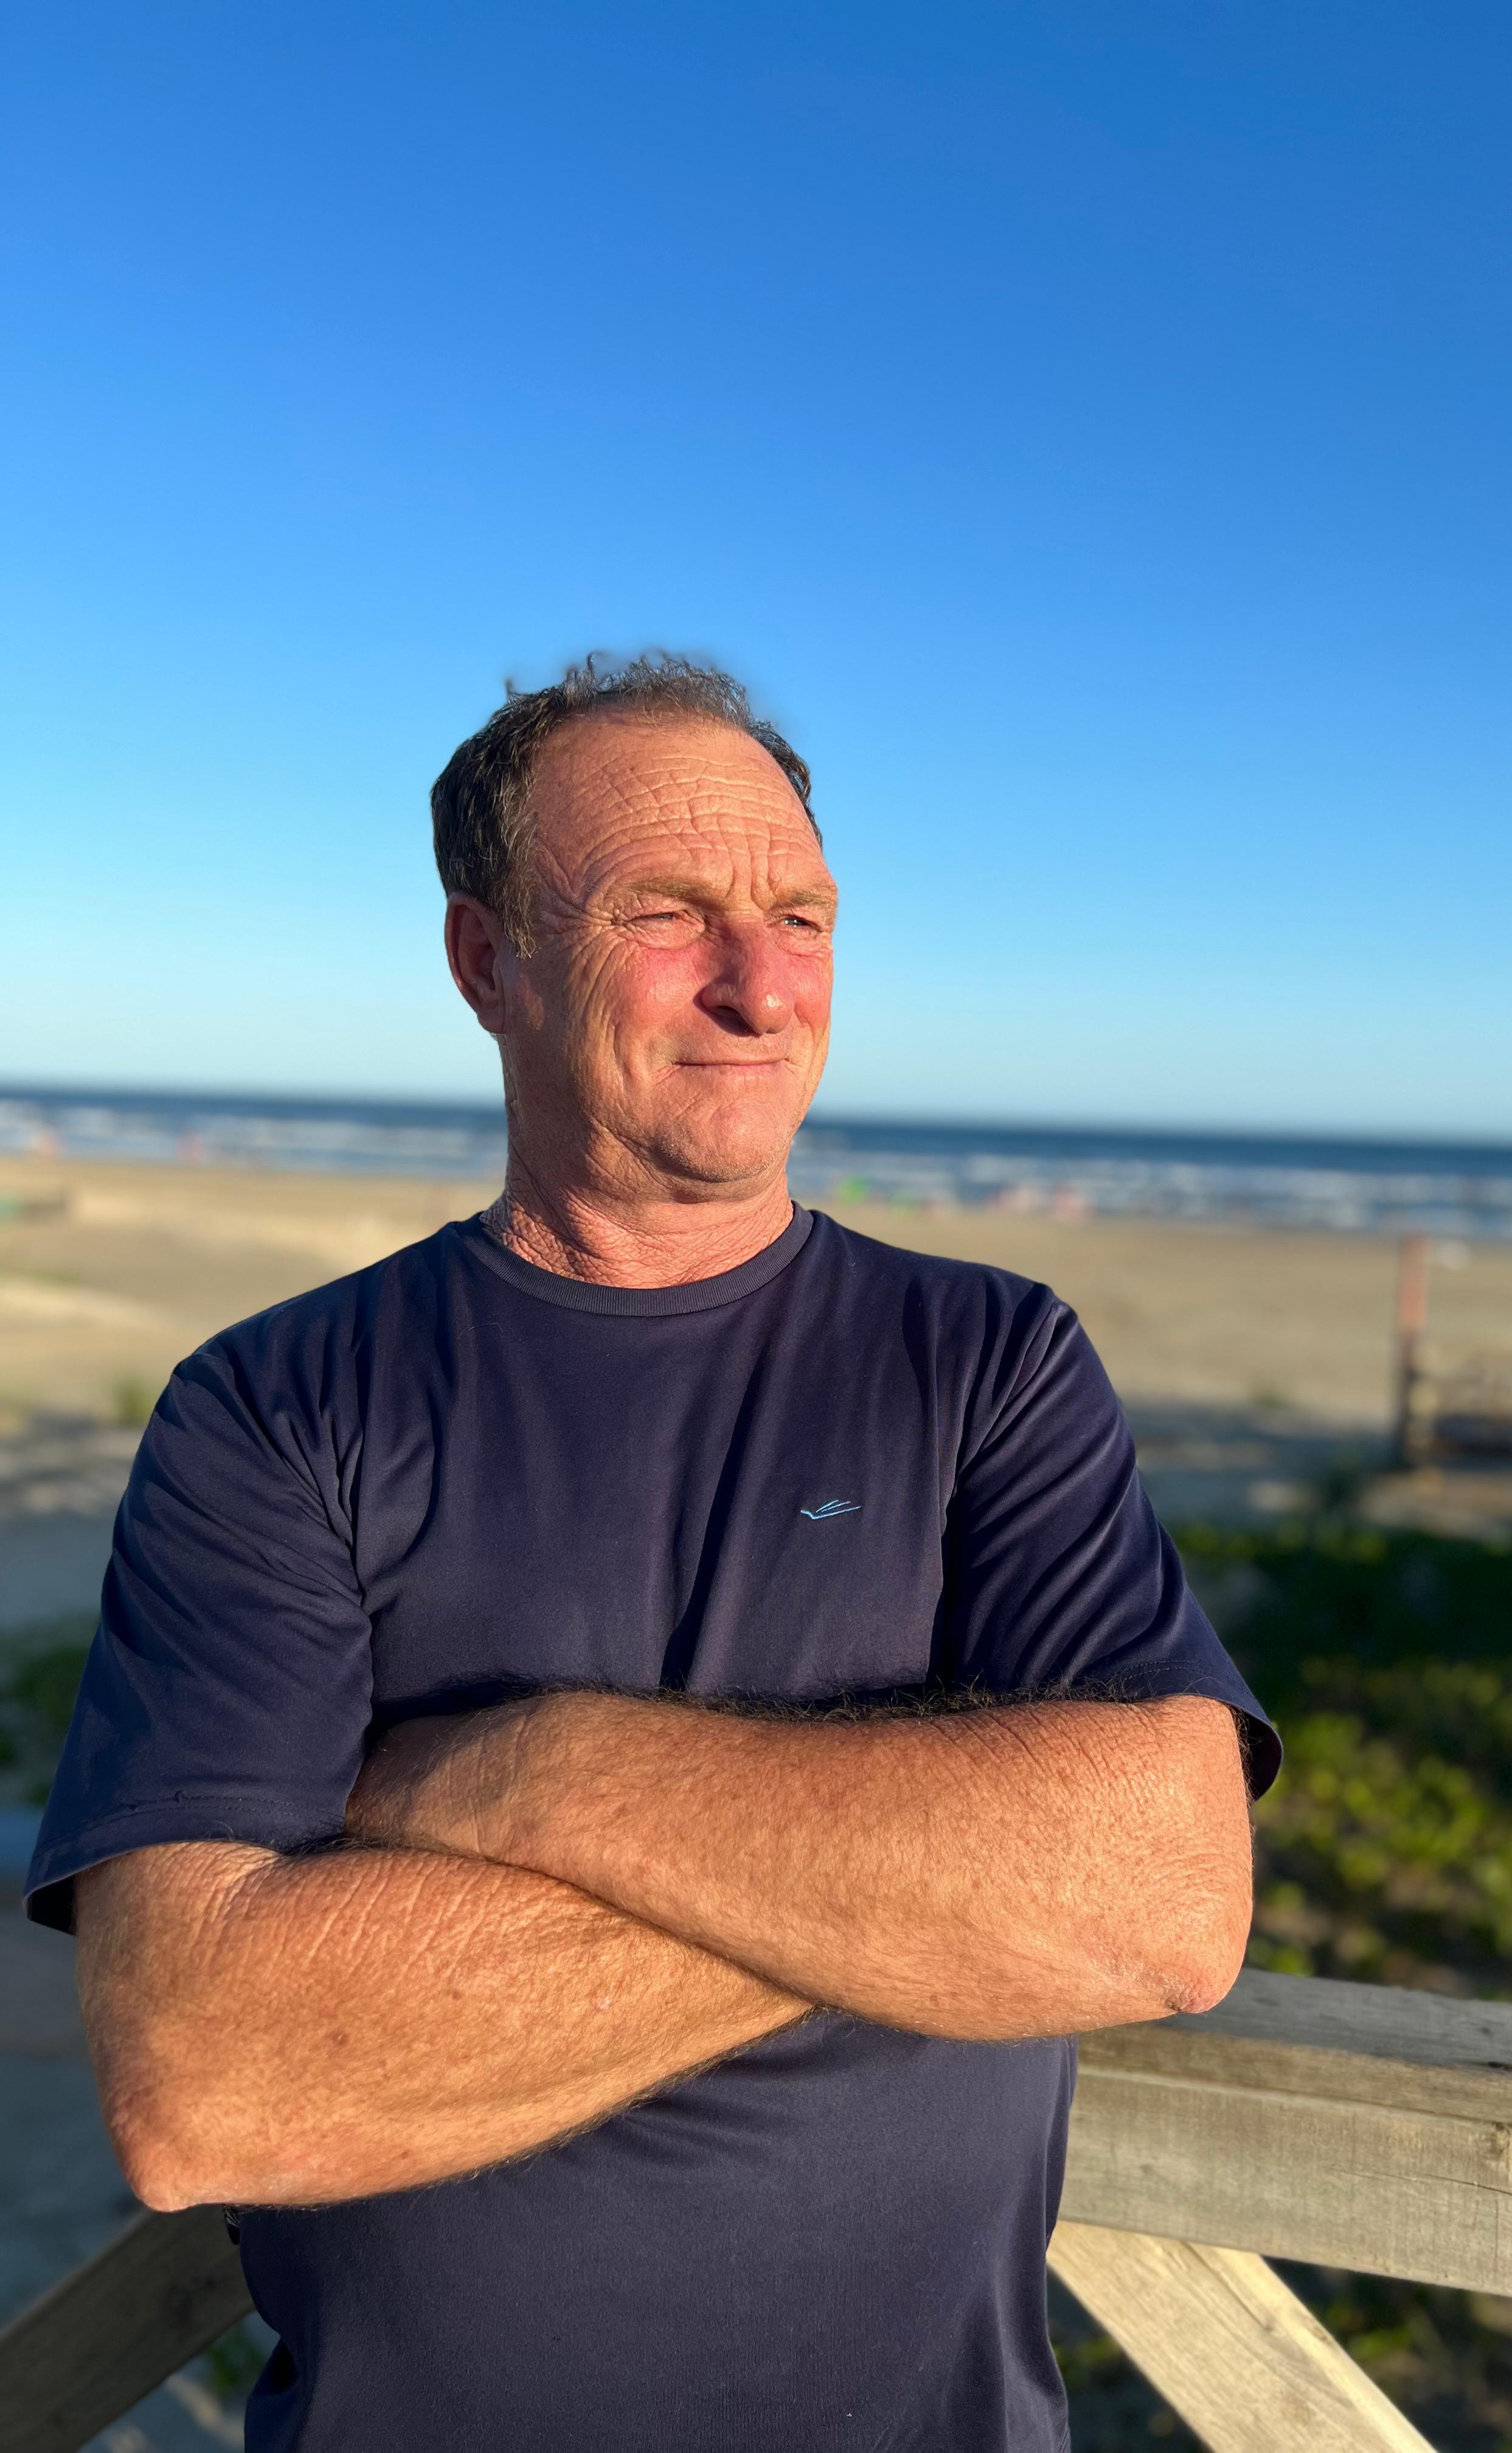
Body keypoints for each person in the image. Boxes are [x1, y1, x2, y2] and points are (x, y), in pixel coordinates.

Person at [28, 656, 1279, 2453]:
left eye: (802, 917)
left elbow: (1160, 1899)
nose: (763, 986)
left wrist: (508, 1776)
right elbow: (206, 2080)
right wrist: (932, 1886)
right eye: (668, 913)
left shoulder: (985, 1362)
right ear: (488, 963)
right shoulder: (279, 1407)